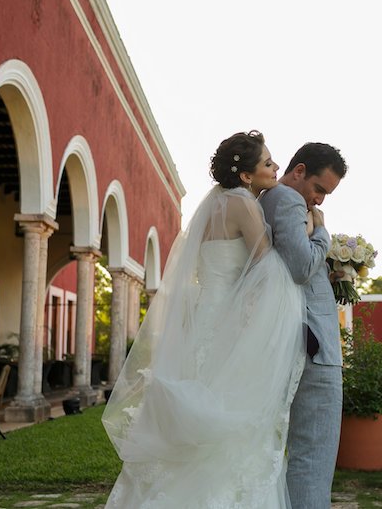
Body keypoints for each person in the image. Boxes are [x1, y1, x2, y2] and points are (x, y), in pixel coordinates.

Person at [102, 131, 307, 508]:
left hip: (204, 318)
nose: (275, 167)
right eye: (267, 162)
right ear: (246, 176)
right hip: (230, 320)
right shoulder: (244, 207)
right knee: (231, 413)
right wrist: (306, 233)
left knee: (200, 408)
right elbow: (268, 269)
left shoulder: (212, 206)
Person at [259, 142, 348, 509]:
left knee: (307, 452)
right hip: (313, 343)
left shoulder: (269, 199)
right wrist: (323, 234)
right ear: (299, 171)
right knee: (314, 453)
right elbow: (299, 266)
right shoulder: (288, 199)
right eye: (320, 189)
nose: (320, 201)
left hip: (297, 336)